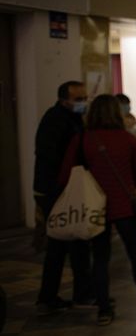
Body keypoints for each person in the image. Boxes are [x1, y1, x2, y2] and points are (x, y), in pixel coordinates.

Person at [59, 95, 136, 326]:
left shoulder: (82, 139)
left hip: (94, 209)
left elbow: (66, 174)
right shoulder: (127, 139)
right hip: (125, 207)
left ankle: (104, 309)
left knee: (100, 259)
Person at [34, 80, 93, 312]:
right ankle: (74, 294)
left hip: (64, 189)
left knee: (64, 244)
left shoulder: (73, 119)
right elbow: (51, 156)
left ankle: (54, 295)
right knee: (67, 242)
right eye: (79, 98)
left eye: (84, 98)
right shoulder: (55, 120)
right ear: (64, 99)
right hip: (56, 191)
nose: (82, 102)